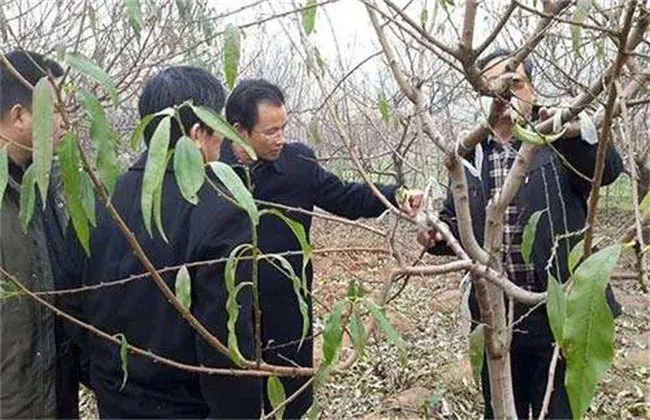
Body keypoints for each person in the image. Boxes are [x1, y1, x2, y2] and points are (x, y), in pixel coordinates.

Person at [418, 49, 623, 419]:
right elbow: (458, 222)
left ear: (530, 88)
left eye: (514, 83)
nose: (505, 95)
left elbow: (607, 170)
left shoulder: (555, 133)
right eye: (494, 87)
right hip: (496, 314)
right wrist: (436, 235)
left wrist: (567, 131)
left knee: (557, 412)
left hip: (560, 309)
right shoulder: (470, 152)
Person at [59, 66, 261, 418]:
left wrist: (101, 371)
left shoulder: (97, 198)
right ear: (197, 133)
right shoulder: (222, 212)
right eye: (219, 133)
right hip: (187, 408)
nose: (223, 144)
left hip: (114, 399)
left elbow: (69, 301)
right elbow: (227, 342)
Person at [222, 78, 422, 418]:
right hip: (228, 313)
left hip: (288, 311)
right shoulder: (213, 171)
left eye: (283, 127)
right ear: (240, 130)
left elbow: (345, 197)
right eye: (270, 132)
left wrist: (395, 196)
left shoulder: (297, 164)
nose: (281, 139)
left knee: (295, 402)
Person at [0, 50, 80, 418]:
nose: (64, 124)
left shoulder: (44, 189)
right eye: (53, 112)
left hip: (54, 400)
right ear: (19, 117)